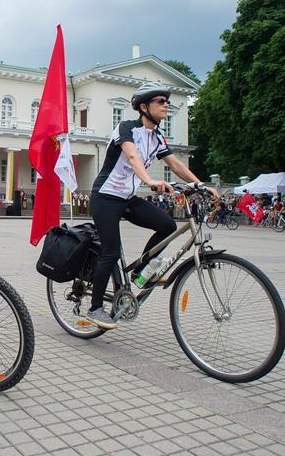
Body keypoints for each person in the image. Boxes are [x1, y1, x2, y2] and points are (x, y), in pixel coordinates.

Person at [86, 83, 218, 330]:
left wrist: (200, 184)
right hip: (105, 197)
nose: (166, 104)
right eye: (160, 101)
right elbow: (133, 156)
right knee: (111, 252)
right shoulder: (127, 128)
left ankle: (140, 272)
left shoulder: (157, 137)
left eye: (167, 101)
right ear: (144, 107)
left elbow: (176, 165)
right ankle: (95, 308)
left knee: (167, 225)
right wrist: (149, 181)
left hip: (127, 198)